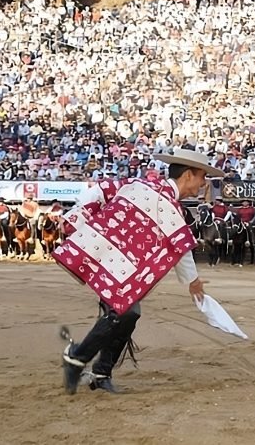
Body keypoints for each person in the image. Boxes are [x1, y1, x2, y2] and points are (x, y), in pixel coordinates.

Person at [56, 148, 223, 395]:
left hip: (116, 264)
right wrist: (77, 219)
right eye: (201, 178)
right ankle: (78, 359)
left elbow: (100, 190)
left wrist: (78, 216)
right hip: (114, 264)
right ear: (188, 175)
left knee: (128, 314)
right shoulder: (163, 201)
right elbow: (179, 244)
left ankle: (100, 371)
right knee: (125, 312)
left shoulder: (139, 186)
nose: (202, 184)